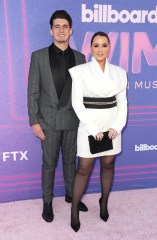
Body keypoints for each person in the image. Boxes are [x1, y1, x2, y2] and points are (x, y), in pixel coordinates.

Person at [27, 10, 88, 223]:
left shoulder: (81, 58)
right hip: (48, 122)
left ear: (71, 31)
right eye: (57, 27)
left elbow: (83, 93)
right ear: (50, 30)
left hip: (73, 121)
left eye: (65, 27)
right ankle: (47, 201)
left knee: (71, 161)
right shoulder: (38, 56)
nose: (61, 30)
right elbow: (33, 92)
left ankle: (72, 195)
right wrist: (34, 121)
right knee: (49, 163)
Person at [69, 31, 128, 232]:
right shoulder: (80, 71)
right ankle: (74, 210)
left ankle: (104, 202)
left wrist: (117, 126)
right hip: (88, 125)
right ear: (91, 48)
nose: (100, 49)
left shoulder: (120, 72)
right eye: (96, 45)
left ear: (109, 47)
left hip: (112, 125)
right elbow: (77, 103)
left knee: (108, 163)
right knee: (83, 168)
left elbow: (122, 102)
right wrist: (93, 129)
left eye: (104, 45)